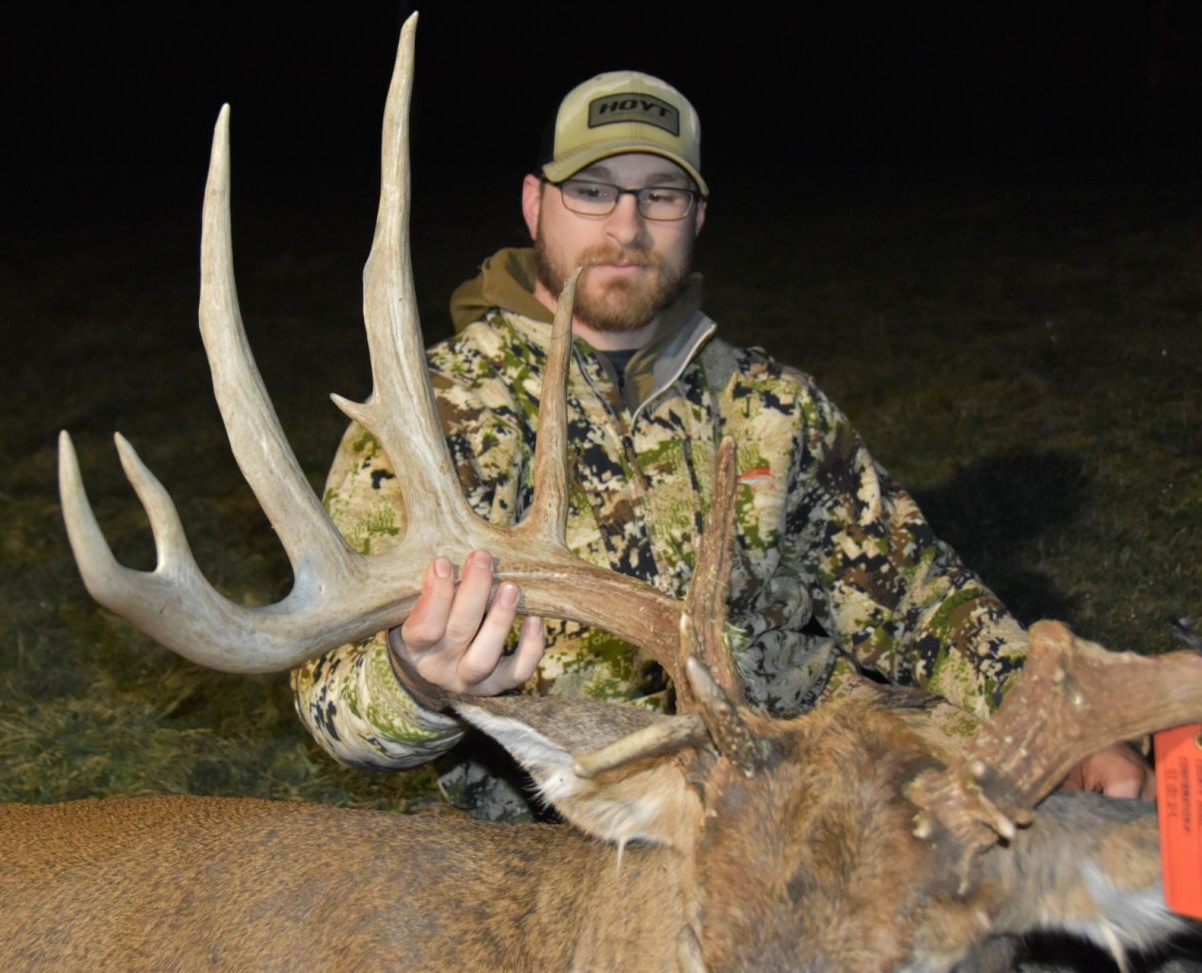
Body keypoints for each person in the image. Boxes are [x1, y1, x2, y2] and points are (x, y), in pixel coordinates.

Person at [292, 71, 1151, 821]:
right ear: (534, 202)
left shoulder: (773, 405)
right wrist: (416, 678)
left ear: (696, 214)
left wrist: (1062, 726)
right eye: (593, 189)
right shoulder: (436, 412)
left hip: (791, 777)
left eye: (659, 194)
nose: (626, 225)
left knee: (1069, 804)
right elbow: (332, 696)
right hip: (565, 833)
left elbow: (922, 602)